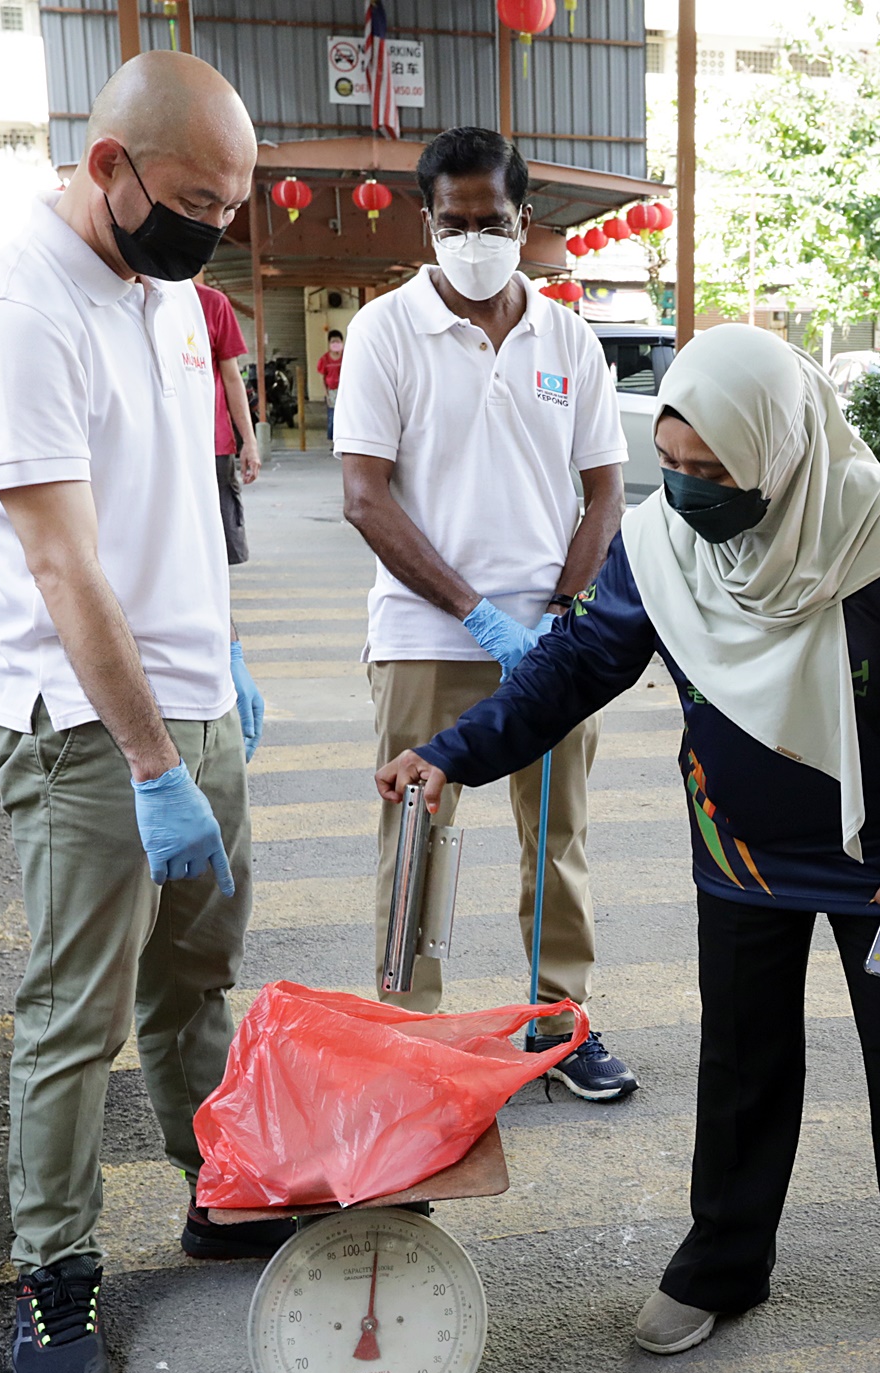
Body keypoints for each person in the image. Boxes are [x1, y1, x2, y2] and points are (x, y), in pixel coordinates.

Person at [375, 324, 880, 1355]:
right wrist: (451, 751)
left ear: (779, 451)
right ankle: (723, 1260)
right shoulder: (659, 542)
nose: (686, 490)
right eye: (668, 464)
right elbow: (574, 664)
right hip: (739, 850)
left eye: (711, 470)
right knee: (743, 1058)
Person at [0, 50, 285, 1373]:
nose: (217, 224)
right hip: (90, 726)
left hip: (196, 696)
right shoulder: (21, 311)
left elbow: (178, 504)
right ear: (107, 166)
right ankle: (54, 1271)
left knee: (195, 978)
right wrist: (151, 762)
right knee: (74, 1016)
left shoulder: (171, 289)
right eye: (197, 195)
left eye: (235, 200)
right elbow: (68, 569)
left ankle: (219, 1191)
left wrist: (223, 658)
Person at [337, 126, 638, 1102]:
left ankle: (559, 1021)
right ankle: (409, 1028)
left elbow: (603, 494)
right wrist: (475, 614)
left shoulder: (568, 338)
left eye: (493, 221)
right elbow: (364, 496)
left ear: (524, 222)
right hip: (427, 639)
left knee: (556, 838)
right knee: (418, 833)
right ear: (427, 220)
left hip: (550, 647)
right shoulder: (387, 329)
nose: (474, 238)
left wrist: (562, 614)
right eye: (455, 222)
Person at [196, 282, 259, 564]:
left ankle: (219, 606)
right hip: (160, 450)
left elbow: (233, 379)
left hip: (214, 446)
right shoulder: (132, 299)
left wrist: (249, 440)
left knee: (223, 541)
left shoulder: (213, 303)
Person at [317, 327, 343, 442]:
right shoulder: (325, 359)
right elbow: (322, 377)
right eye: (333, 342)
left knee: (344, 416)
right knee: (332, 416)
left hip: (344, 391)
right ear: (329, 343)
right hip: (331, 391)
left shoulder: (346, 357)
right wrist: (326, 393)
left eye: (338, 341)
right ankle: (332, 439)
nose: (335, 344)